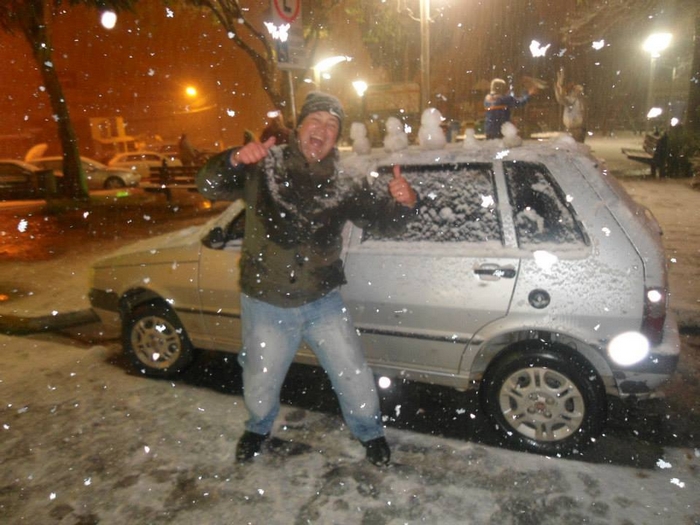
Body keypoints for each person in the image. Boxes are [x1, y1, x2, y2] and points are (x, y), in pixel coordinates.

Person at [196, 92, 418, 467]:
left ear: (337, 137)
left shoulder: (346, 180)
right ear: (299, 127)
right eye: (315, 120)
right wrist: (234, 159)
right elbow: (207, 185)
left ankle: (370, 433)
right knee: (260, 377)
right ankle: (258, 428)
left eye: (332, 125)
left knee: (353, 373)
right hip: (266, 301)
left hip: (322, 300)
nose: (322, 129)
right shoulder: (264, 165)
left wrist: (406, 203)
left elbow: (384, 222)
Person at [554, 70, 587, 143]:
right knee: (574, 146)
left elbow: (583, 114)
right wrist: (558, 87)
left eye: (580, 90)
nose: (578, 92)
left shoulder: (580, 101)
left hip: (579, 129)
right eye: (576, 90)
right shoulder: (571, 100)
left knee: (577, 146)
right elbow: (560, 99)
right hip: (572, 129)